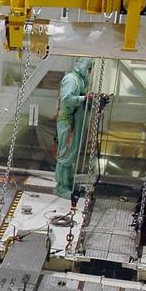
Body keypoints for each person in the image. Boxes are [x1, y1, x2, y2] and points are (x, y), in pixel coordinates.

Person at [54, 57, 93, 199]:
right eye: (89, 69)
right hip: (67, 122)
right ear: (83, 66)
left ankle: (69, 182)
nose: (89, 72)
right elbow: (67, 99)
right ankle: (61, 187)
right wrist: (84, 98)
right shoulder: (71, 79)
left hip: (75, 122)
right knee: (65, 153)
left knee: (71, 153)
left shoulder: (80, 80)